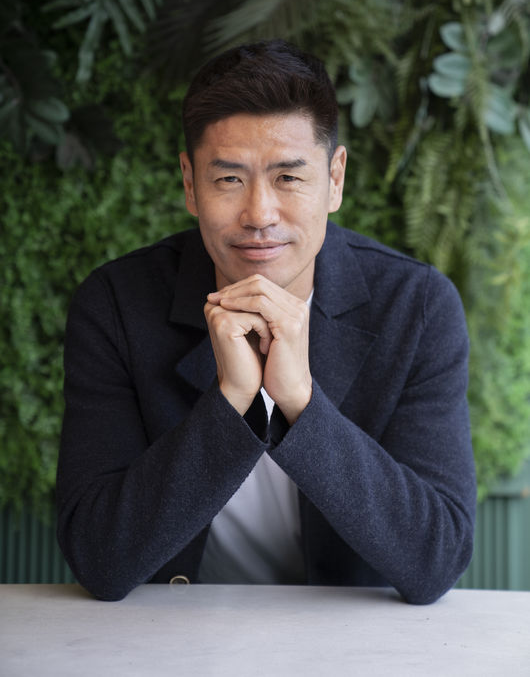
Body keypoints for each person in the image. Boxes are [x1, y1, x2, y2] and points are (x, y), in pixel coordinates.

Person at [56, 39, 476, 604]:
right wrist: (231, 401)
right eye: (229, 179)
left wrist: (302, 402)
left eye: (288, 178)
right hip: (169, 634)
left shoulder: (416, 307)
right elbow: (99, 558)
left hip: (349, 639)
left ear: (335, 179)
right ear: (190, 184)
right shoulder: (117, 305)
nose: (258, 215)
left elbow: (437, 558)